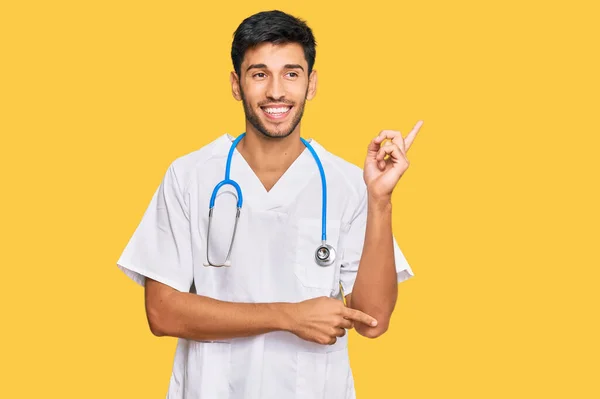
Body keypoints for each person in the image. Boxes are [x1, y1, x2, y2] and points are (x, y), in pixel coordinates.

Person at [117, 9, 423, 399]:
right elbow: (161, 312)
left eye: (291, 74)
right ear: (236, 84)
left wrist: (379, 199)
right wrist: (288, 316)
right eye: (259, 74)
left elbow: (373, 320)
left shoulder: (348, 183)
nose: (276, 91)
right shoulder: (189, 175)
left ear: (311, 84)